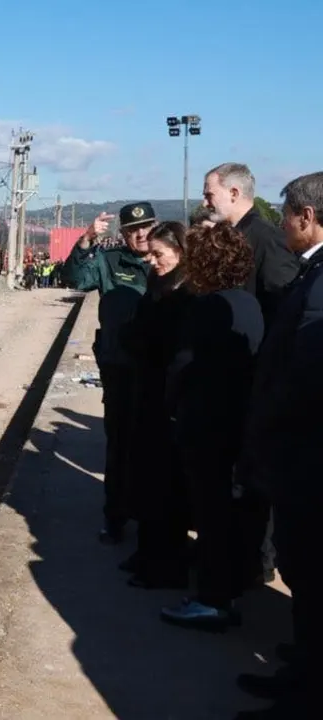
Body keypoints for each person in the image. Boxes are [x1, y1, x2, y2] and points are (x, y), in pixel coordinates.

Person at [235, 171, 323, 718]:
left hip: (306, 456)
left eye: (286, 213)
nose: (282, 222)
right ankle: (300, 670)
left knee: (311, 571)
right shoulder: (313, 272)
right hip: (299, 452)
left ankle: (306, 694)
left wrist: (267, 429)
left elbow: (305, 379)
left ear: (307, 217)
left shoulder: (320, 282)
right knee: (304, 574)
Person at [158, 221, 264, 630]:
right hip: (238, 424)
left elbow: (183, 367)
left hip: (206, 426)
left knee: (211, 515)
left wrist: (170, 408)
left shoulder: (205, 308)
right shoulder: (248, 303)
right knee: (232, 513)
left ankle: (212, 600)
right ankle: (230, 587)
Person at [62, 202, 154, 545]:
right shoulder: (110, 262)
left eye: (146, 227)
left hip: (157, 371)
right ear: (123, 234)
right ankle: (115, 517)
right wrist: (85, 240)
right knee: (119, 446)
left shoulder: (171, 260)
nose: (141, 234)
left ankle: (151, 519)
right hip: (120, 368)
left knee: (154, 449)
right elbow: (74, 279)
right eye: (133, 230)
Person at [118, 221, 192, 588]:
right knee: (145, 478)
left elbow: (168, 345)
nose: (151, 260)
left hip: (167, 400)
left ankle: (164, 563)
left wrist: (136, 339)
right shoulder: (160, 286)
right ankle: (146, 552)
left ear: (179, 252)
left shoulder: (185, 292)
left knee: (165, 486)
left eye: (158, 254)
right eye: (149, 254)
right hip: (148, 392)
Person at [201, 163, 300, 325]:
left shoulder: (268, 239)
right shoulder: (226, 236)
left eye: (209, 195)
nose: (204, 204)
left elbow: (282, 306)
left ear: (234, 193)